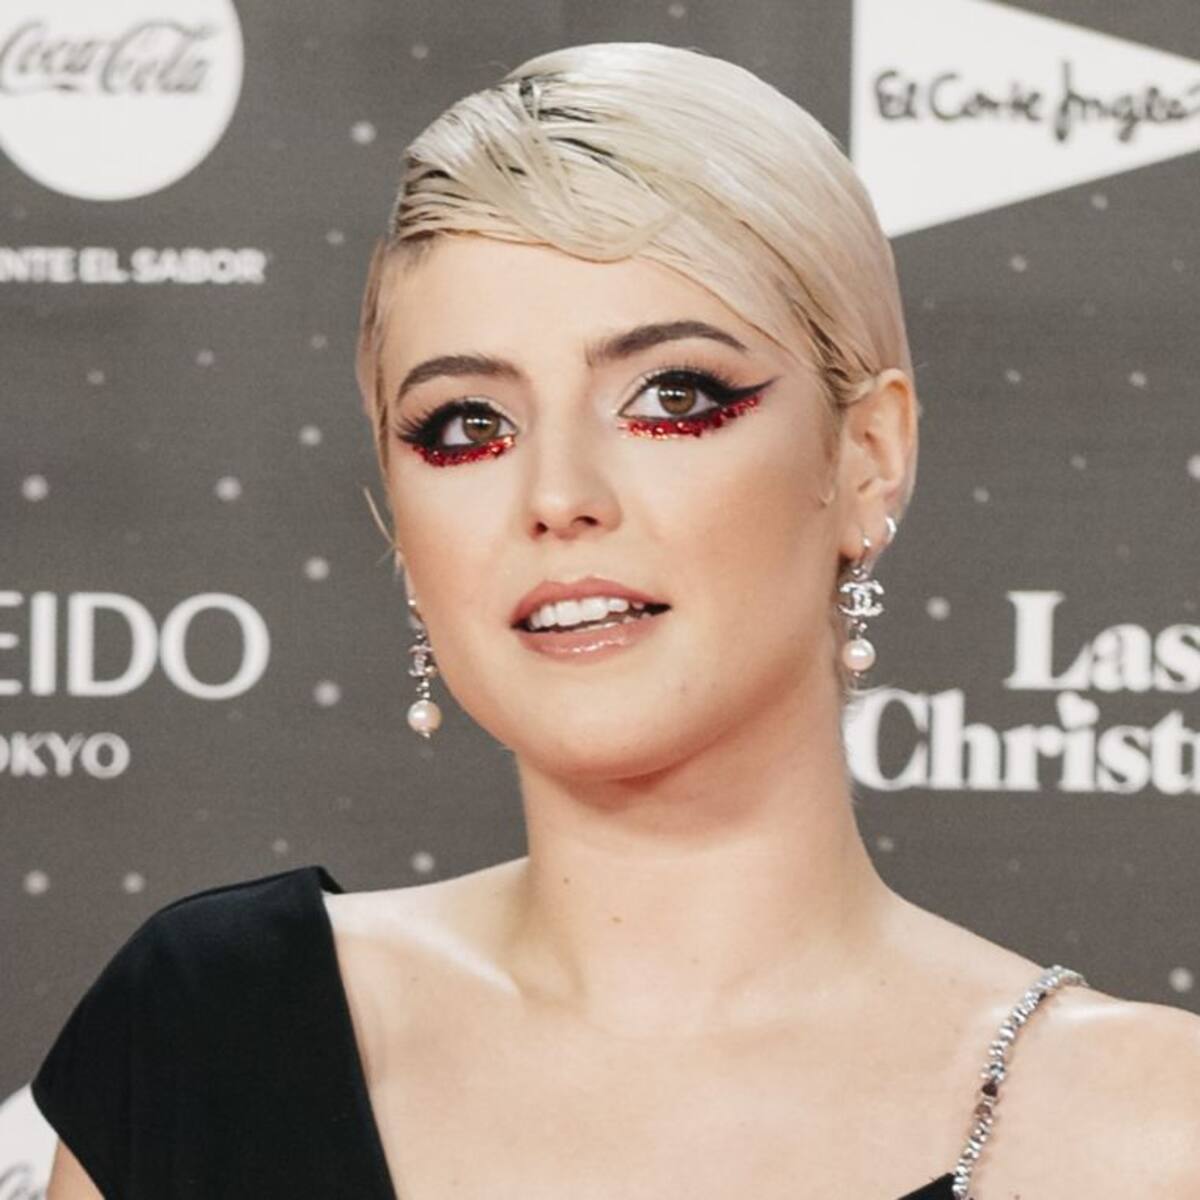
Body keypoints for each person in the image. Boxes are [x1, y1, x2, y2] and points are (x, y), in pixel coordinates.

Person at [34, 41, 1200, 1200]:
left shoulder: (1149, 1132)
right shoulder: (209, 1037)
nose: (557, 496)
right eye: (466, 426)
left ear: (866, 456)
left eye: (671, 398)